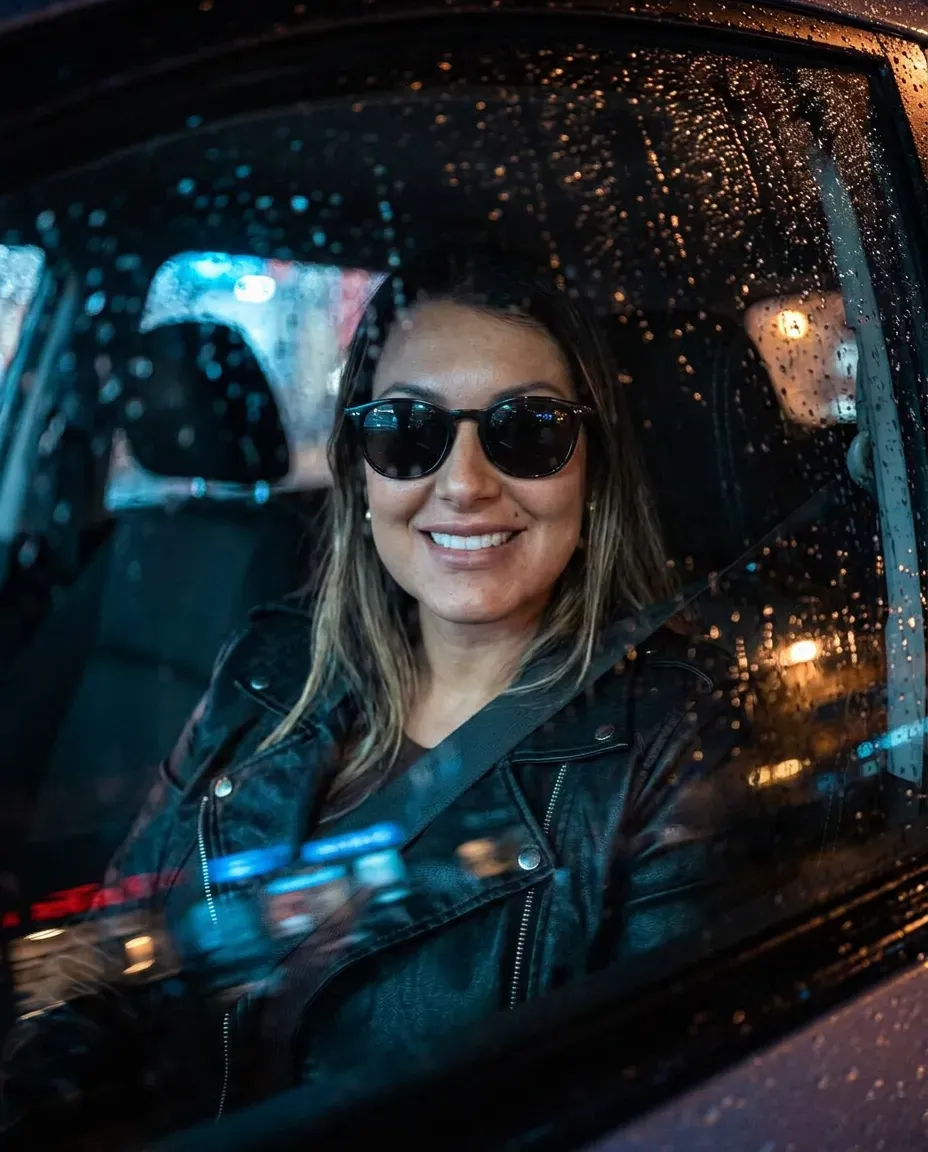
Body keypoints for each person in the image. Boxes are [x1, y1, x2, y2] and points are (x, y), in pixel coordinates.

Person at [0, 255, 751, 1144]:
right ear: (362, 472)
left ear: (592, 475)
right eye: (407, 431)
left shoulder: (674, 744)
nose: (465, 483)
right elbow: (109, 961)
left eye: (528, 430)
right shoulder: (270, 664)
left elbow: (644, 1109)